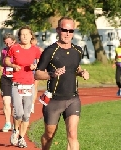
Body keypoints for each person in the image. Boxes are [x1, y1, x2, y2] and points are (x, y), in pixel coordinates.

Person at [35, 16, 89, 150]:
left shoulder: (78, 51)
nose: (67, 34)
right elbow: (37, 73)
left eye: (71, 31)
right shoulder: (50, 51)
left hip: (72, 99)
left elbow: (74, 68)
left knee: (72, 134)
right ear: (58, 30)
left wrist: (81, 72)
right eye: (64, 30)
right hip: (54, 100)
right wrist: (52, 74)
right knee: (49, 135)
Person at [5, 26, 41, 148]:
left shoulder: (36, 50)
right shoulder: (14, 48)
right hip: (17, 84)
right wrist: (13, 65)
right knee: (18, 112)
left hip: (29, 85)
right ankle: (15, 130)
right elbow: (7, 60)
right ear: (19, 36)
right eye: (22, 34)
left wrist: (35, 66)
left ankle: (21, 138)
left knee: (26, 115)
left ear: (31, 36)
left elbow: (40, 63)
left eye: (27, 34)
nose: (25, 36)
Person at [0, 33, 16, 132]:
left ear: (14, 41)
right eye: (6, 43)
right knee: (6, 102)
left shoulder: (19, 50)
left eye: (10, 43)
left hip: (16, 78)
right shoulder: (4, 51)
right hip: (6, 78)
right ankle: (7, 123)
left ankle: (15, 123)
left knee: (15, 103)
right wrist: (1, 67)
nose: (8, 45)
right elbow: (2, 62)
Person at [30, 37, 43, 113]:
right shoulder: (27, 48)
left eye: (35, 41)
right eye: (33, 41)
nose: (34, 43)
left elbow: (40, 60)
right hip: (28, 70)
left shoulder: (38, 49)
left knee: (34, 87)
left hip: (35, 70)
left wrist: (38, 67)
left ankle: (32, 104)